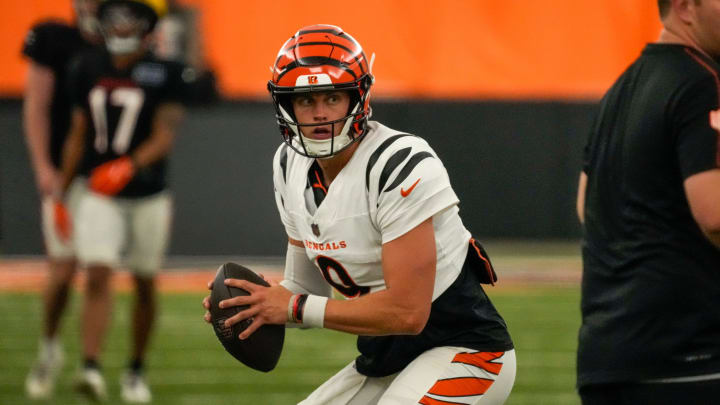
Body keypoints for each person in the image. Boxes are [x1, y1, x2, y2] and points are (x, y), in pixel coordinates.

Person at [203, 24, 515, 405]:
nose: (319, 114)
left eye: (332, 97)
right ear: (286, 106)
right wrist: (254, 305)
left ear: (358, 99)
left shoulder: (399, 164)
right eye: (305, 100)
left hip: (466, 352)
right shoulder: (288, 164)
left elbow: (407, 312)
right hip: (385, 359)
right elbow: (304, 288)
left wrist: (293, 307)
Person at [576, 0, 720, 403]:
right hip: (688, 355)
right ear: (685, 7)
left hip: (609, 358)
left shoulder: (621, 88)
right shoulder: (703, 82)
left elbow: (584, 204)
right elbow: (715, 216)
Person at [60, 0, 187, 402]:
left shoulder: (165, 71)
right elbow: (78, 133)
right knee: (97, 272)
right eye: (113, 17)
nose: (120, 25)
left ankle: (135, 369)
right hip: (99, 190)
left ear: (147, 25)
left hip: (147, 193)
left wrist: (127, 166)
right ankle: (91, 367)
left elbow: (165, 134)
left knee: (146, 282)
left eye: (129, 17)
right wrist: (60, 195)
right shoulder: (85, 66)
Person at [22, 0, 102, 399]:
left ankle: (92, 365)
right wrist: (43, 167)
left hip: (106, 179)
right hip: (67, 176)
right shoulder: (54, 38)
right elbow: (36, 106)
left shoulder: (125, 41)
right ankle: (49, 346)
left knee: (100, 269)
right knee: (63, 268)